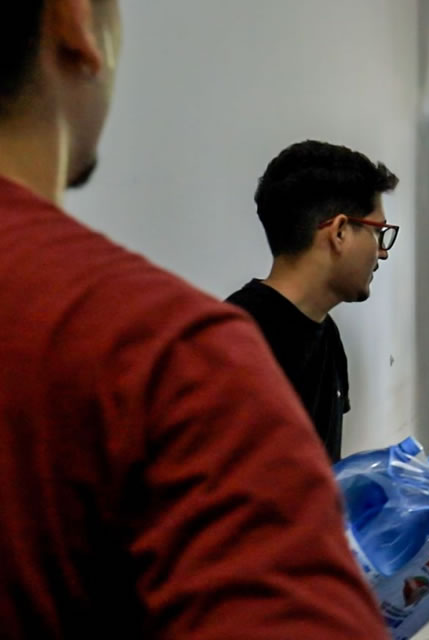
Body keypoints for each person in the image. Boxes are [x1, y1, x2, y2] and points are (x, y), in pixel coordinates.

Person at [0, 2, 387, 638]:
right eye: (379, 232)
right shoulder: (183, 361)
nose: (381, 249)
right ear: (77, 24)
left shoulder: (308, 342)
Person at [226, 141, 399, 462]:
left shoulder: (326, 332)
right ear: (340, 232)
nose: (383, 251)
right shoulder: (229, 349)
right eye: (379, 232)